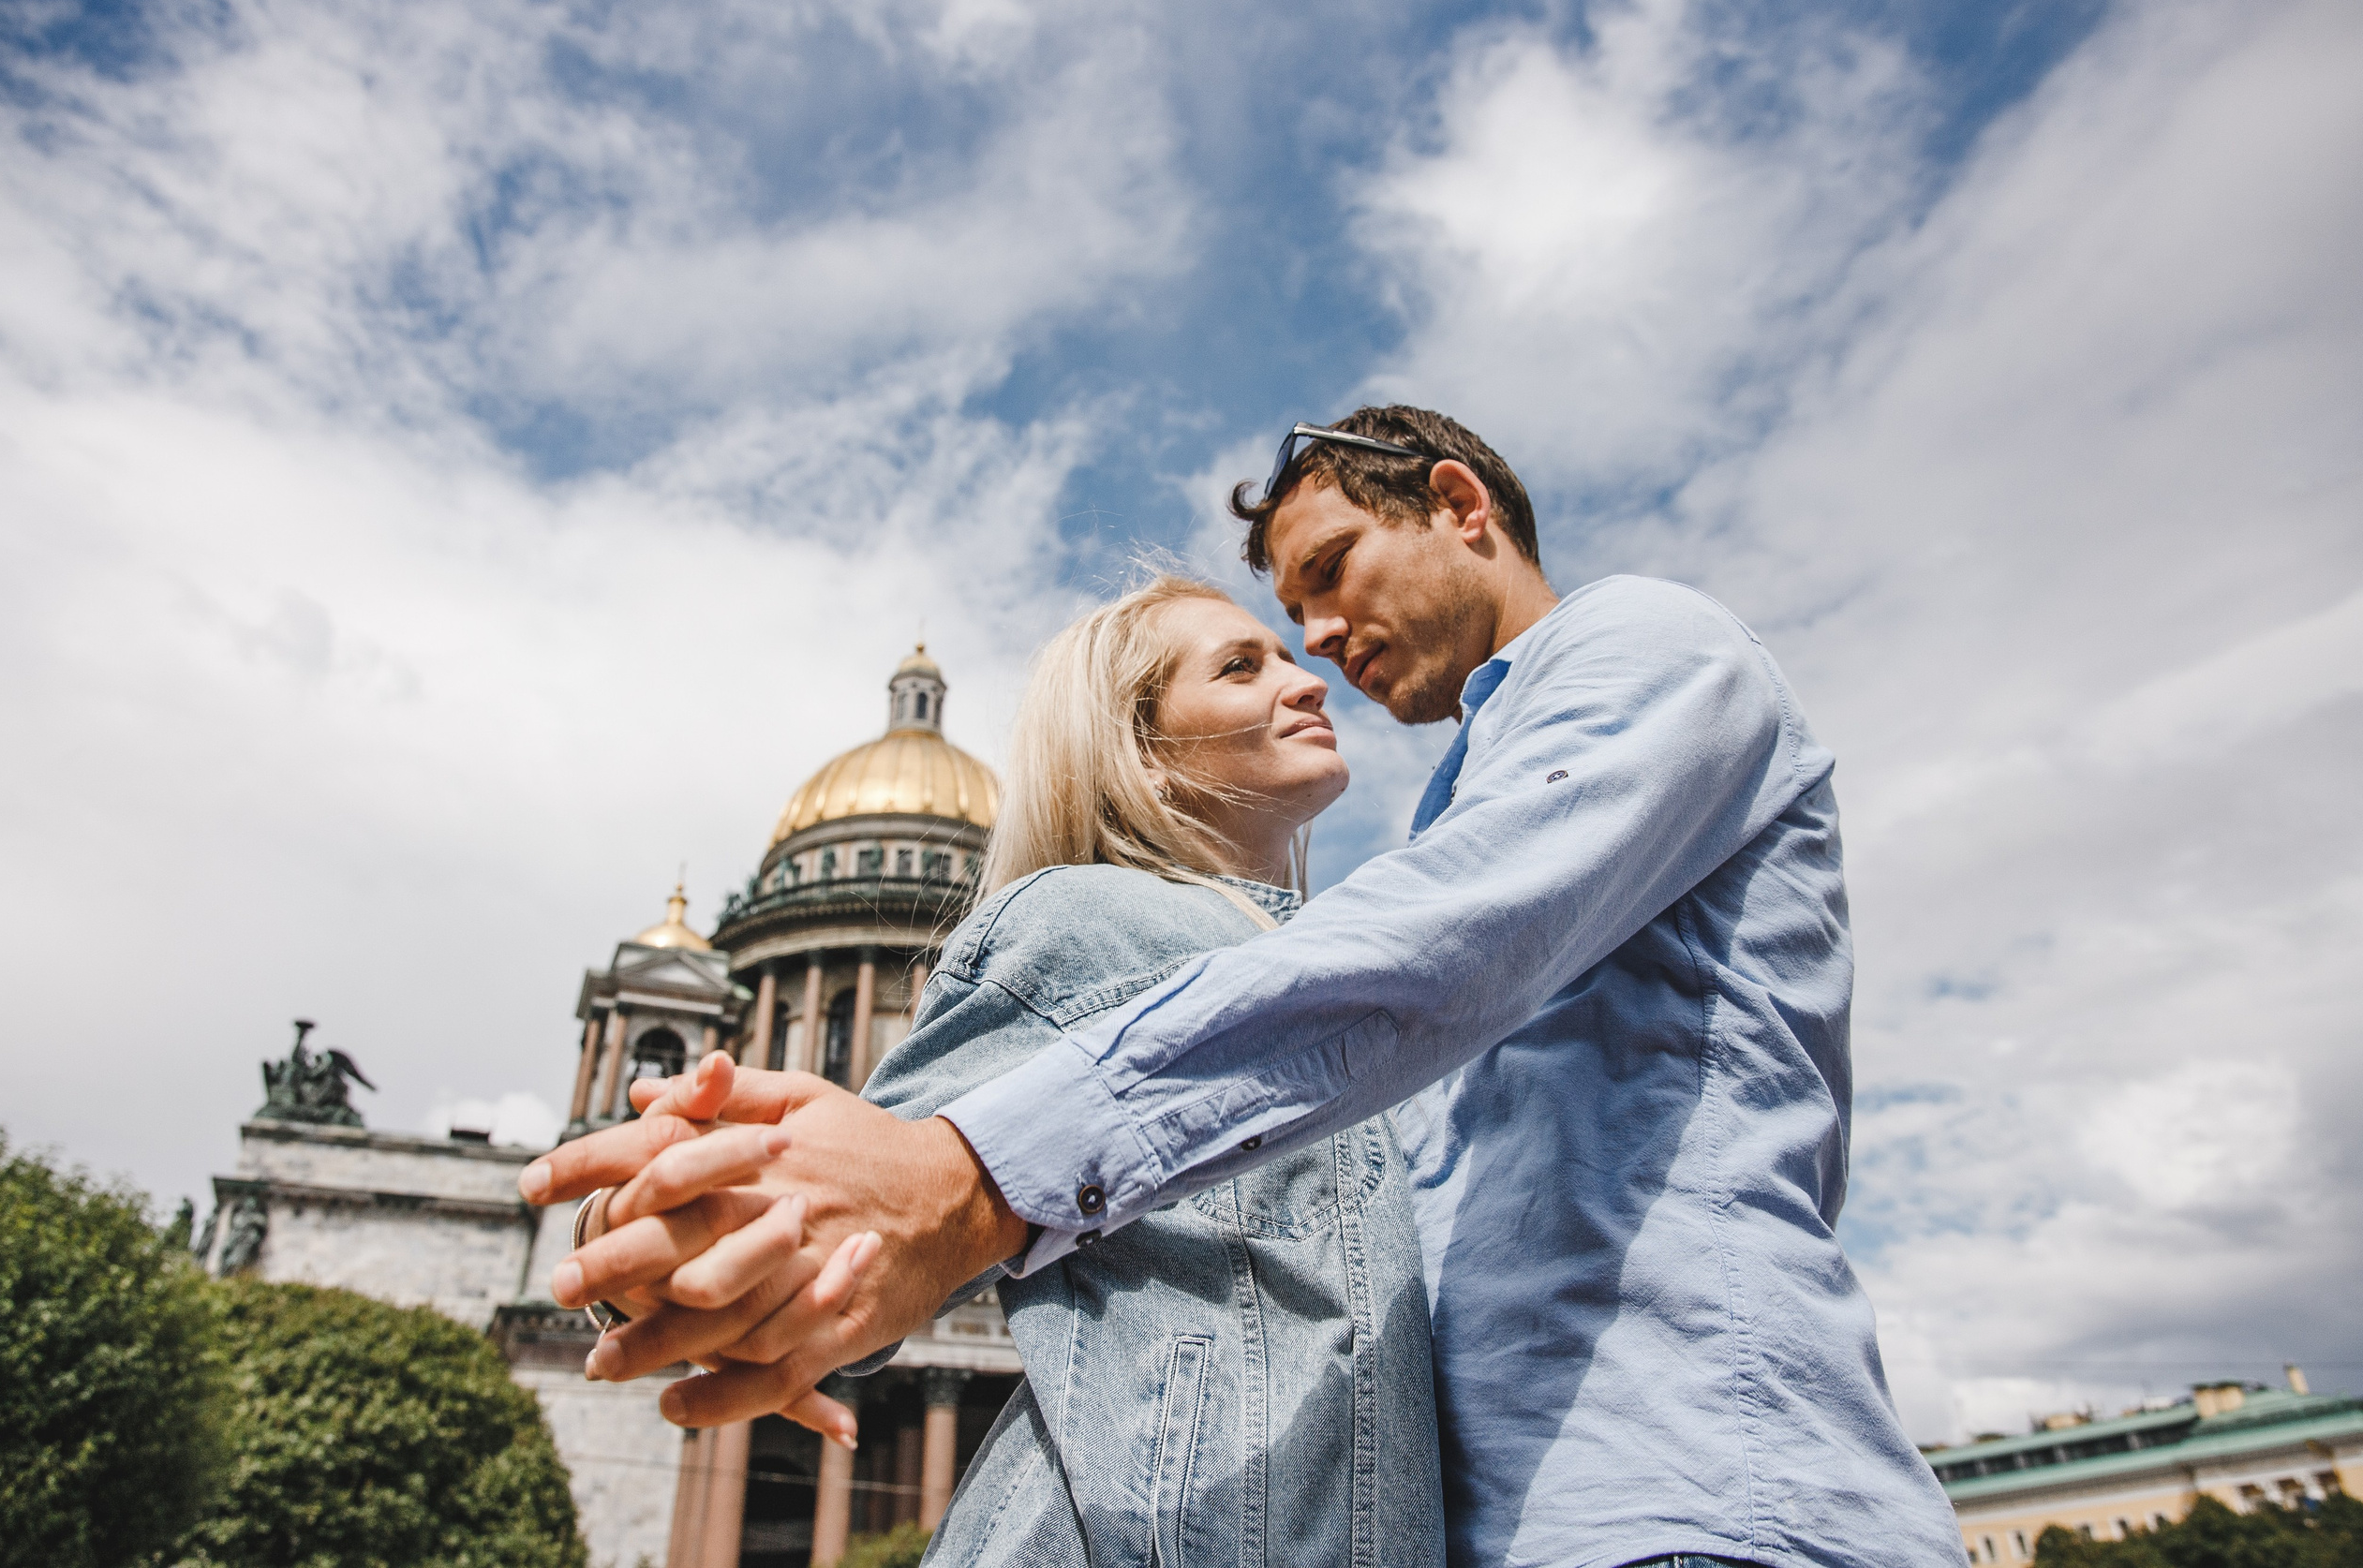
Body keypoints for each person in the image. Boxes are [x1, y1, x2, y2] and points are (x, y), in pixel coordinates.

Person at [528, 406, 1967, 1568]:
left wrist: (955, 1185)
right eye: (1265, 638)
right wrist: (686, 1233)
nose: (1318, 655)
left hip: (1694, 1485)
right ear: (1144, 751)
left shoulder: (1640, 647)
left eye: (1327, 578)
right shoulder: (1133, 926)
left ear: (1462, 504)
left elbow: (1438, 949)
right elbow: (871, 1165)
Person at [569, 574, 1443, 1565]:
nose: (1307, 680)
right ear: (1140, 755)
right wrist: (666, 1230)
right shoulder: (1081, 923)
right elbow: (872, 1212)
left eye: (1287, 656)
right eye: (1242, 667)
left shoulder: (1345, 957)